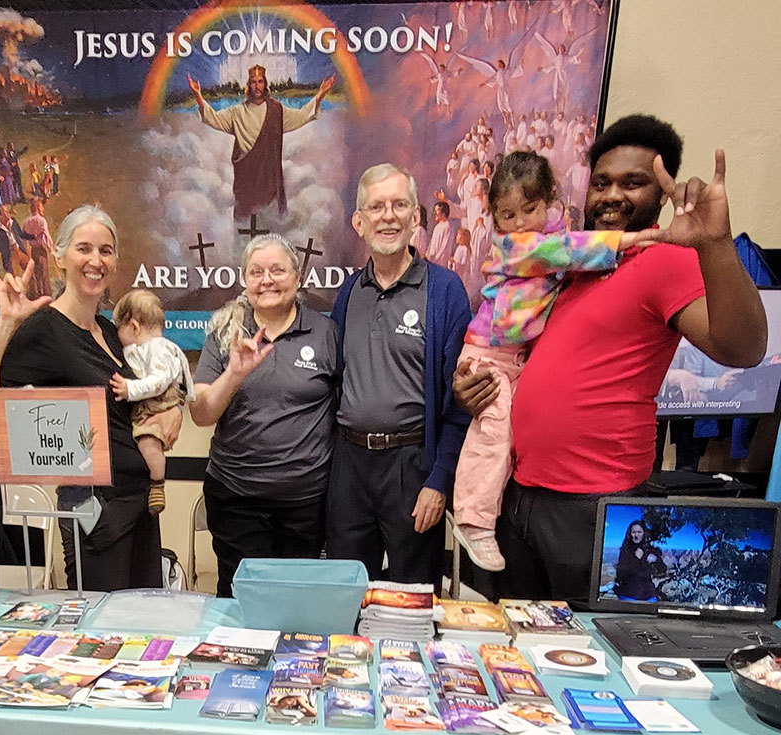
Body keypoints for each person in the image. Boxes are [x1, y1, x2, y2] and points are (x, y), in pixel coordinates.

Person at [454, 114, 767, 606]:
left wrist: (715, 244)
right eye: (601, 183)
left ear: (661, 196)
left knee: (585, 658)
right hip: (521, 496)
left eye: (633, 183)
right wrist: (473, 388)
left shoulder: (666, 260)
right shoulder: (577, 264)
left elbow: (743, 349)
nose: (612, 195)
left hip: (594, 507)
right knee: (519, 655)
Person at [0, 204, 182, 591]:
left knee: (139, 627)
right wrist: (6, 324)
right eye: (84, 248)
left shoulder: (110, 331)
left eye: (106, 250)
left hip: (141, 504)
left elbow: (146, 392)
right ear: (59, 255)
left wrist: (172, 412)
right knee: (101, 633)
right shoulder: (44, 330)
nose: (96, 260)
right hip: (97, 515)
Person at [451, 151, 648, 572]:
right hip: (489, 353)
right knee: (494, 434)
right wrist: (632, 241)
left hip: (516, 356)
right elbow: (566, 251)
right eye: (507, 214)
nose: (519, 222)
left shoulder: (554, 239)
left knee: (512, 436)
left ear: (550, 202)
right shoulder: (517, 248)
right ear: (494, 217)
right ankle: (472, 520)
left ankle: (487, 512)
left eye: (529, 209)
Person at [328, 163, 471, 587]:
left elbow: (461, 402)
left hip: (413, 468)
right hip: (350, 467)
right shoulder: (348, 294)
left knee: (413, 597)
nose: (388, 216)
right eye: (376, 207)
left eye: (399, 205)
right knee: (347, 594)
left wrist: (439, 480)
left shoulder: (445, 291)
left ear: (415, 218)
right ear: (359, 221)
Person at [190, 233, 338, 597]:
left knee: (296, 600)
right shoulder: (225, 332)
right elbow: (202, 412)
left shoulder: (326, 332)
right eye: (256, 272)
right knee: (244, 599)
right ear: (245, 281)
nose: (267, 280)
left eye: (277, 270)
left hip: (305, 502)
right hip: (236, 498)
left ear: (298, 277)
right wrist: (235, 373)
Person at [187, 66, 335, 220]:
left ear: (265, 84)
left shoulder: (276, 110)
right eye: (253, 82)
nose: (257, 86)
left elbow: (301, 115)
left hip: (269, 182)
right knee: (244, 225)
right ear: (248, 85)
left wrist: (320, 94)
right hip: (246, 181)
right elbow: (214, 118)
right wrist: (198, 95)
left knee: (270, 224)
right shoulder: (237, 113)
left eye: (260, 82)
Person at [109, 289, 195, 516]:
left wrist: (130, 389)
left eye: (120, 329)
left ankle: (157, 483)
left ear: (134, 327)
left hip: (157, 400)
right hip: (149, 401)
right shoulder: (156, 348)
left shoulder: (158, 349)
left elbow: (158, 382)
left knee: (148, 439)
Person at [614, 520, 665, 601]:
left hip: (648, 596)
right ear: (630, 534)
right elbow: (621, 574)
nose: (636, 535)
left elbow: (662, 569)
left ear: (644, 533)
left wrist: (656, 560)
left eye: (639, 532)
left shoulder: (650, 550)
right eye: (634, 532)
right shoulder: (625, 551)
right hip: (629, 595)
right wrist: (636, 559)